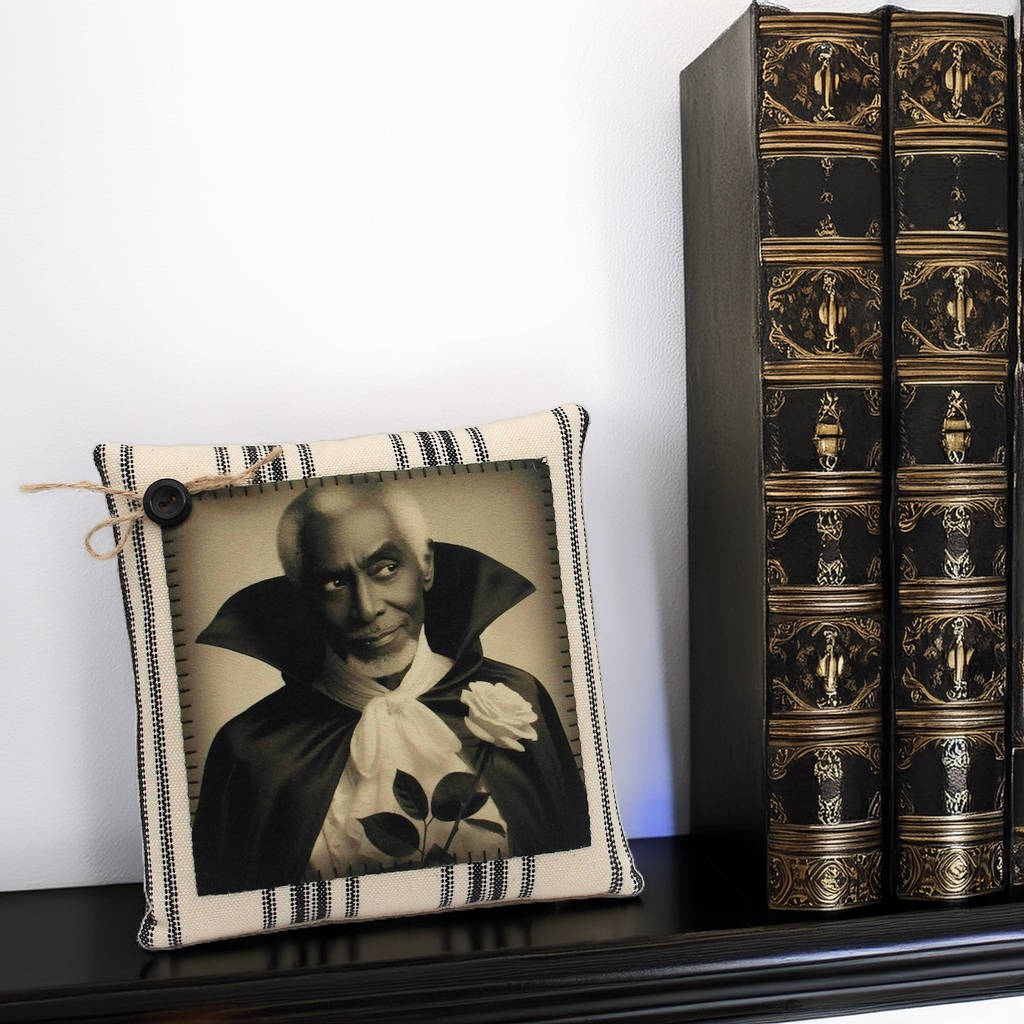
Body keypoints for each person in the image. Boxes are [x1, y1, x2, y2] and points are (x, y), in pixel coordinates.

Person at [191, 482, 589, 895]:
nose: (367, 608)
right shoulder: (251, 750)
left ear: (426, 564)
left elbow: (567, 865)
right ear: (302, 597)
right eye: (334, 583)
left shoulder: (518, 697)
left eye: (385, 568)